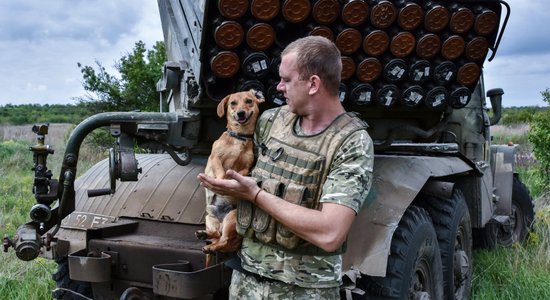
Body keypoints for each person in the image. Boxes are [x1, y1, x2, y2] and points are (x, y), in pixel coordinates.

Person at [198, 35, 374, 299]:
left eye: (287, 80)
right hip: (246, 282)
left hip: (304, 290)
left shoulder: (352, 143)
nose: (278, 87)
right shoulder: (270, 122)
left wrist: (255, 195)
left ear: (313, 84)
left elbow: (330, 233)